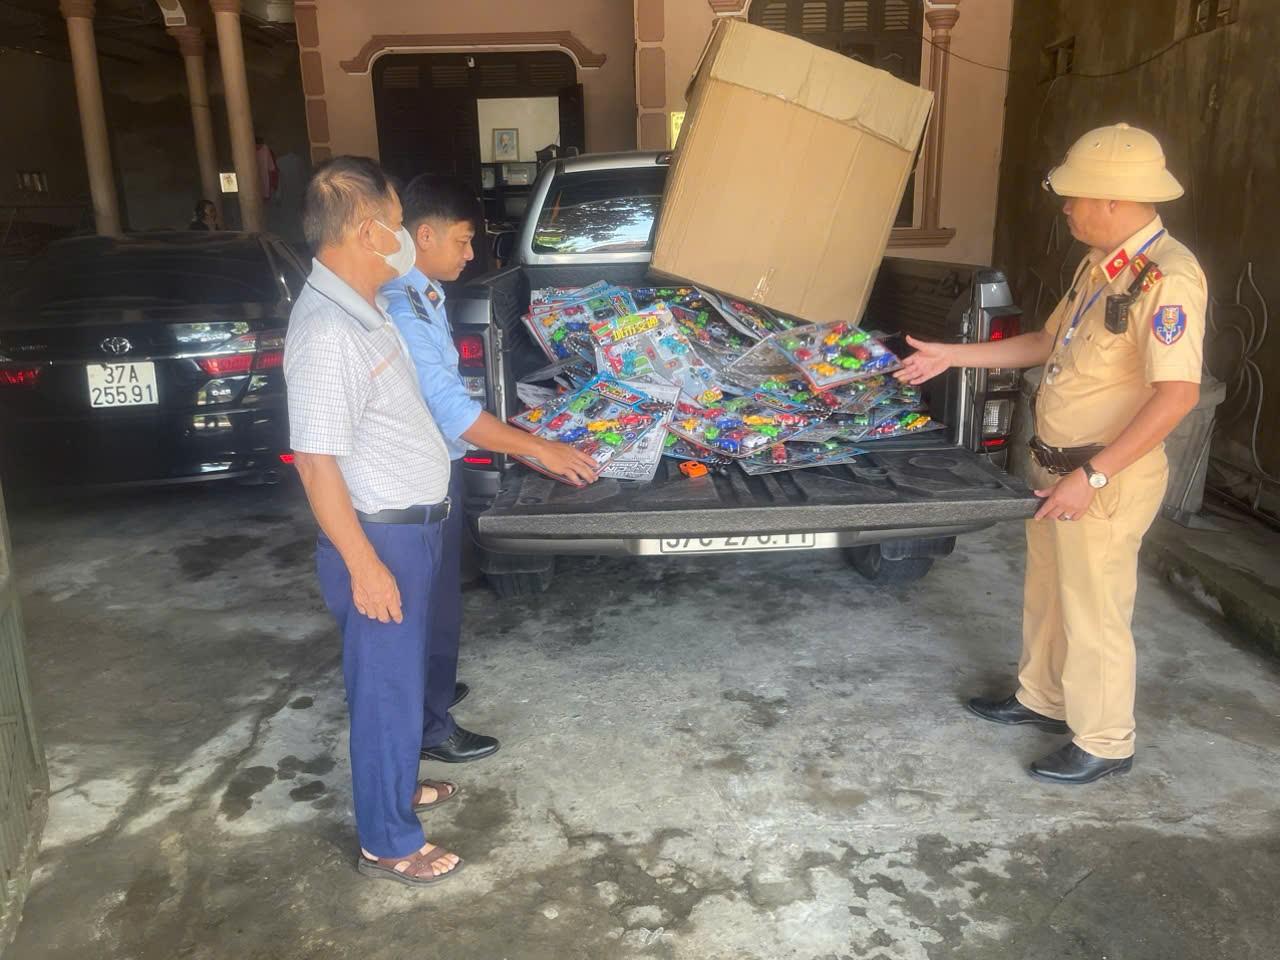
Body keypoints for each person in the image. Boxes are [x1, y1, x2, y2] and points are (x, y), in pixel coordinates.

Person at [896, 123, 1206, 785]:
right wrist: (951, 355)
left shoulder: (1168, 279)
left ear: (1114, 199)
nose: (1065, 207)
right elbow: (1044, 342)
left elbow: (1177, 395)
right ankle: (1042, 697)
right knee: (1049, 595)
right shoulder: (1101, 266)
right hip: (1055, 466)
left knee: (1094, 611)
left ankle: (1105, 740)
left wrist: (1092, 477)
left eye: (1075, 195)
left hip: (1101, 477)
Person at [284, 156, 463, 885]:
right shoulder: (329, 331)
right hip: (380, 537)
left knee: (399, 680)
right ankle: (388, 841)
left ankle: (397, 789)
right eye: (395, 225)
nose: (404, 237)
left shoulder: (368, 305)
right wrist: (364, 565)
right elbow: (315, 463)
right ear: (366, 232)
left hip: (408, 527)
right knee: (386, 693)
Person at [381, 174, 597, 764]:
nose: (471, 254)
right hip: (417, 477)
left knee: (438, 597)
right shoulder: (402, 308)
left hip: (438, 468)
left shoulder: (424, 292)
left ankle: (432, 689)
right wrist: (540, 449)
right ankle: (430, 727)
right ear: (424, 237)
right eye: (462, 241)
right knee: (427, 605)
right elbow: (451, 410)